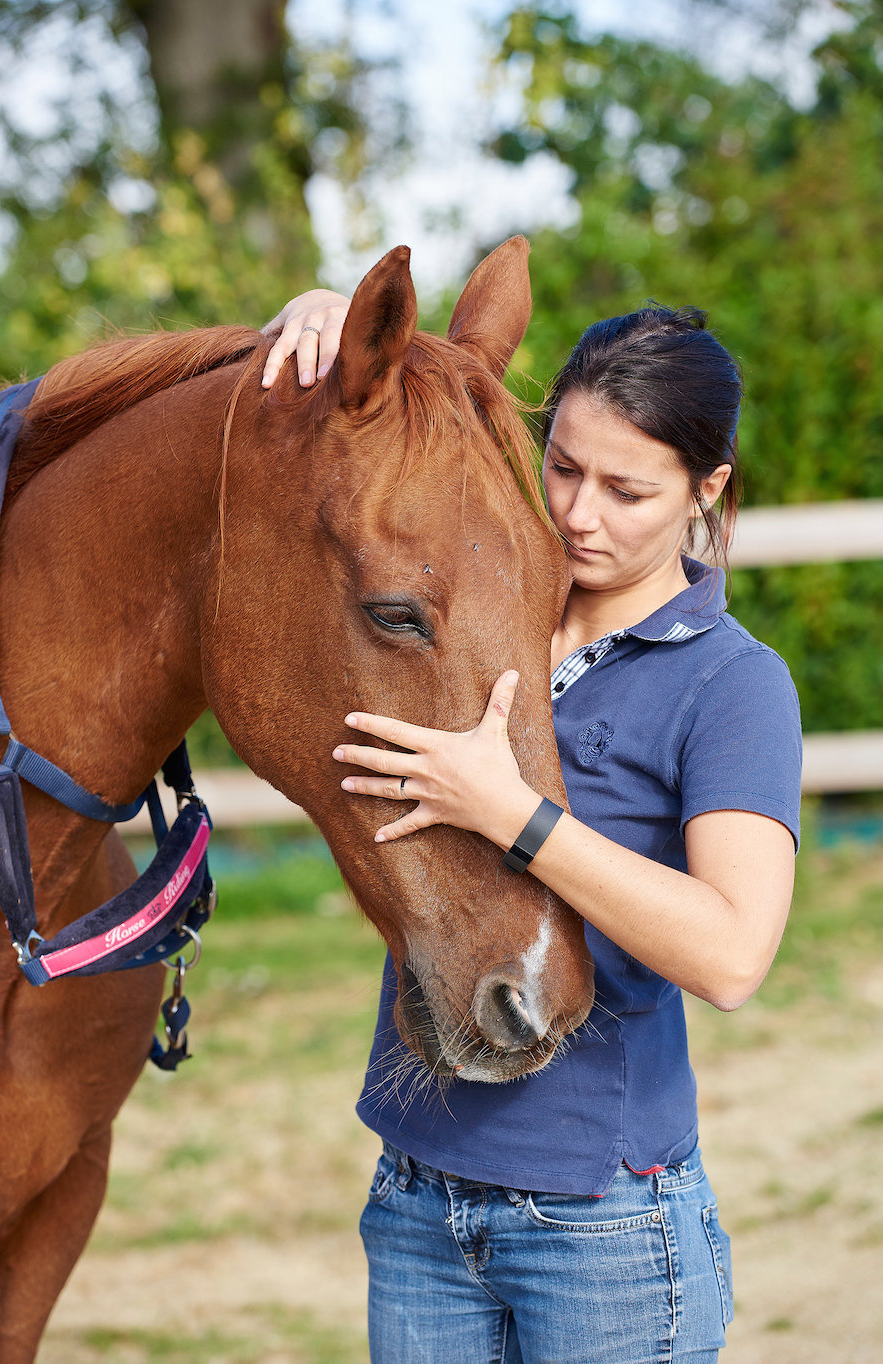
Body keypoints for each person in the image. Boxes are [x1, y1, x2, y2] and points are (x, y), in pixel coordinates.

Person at [261, 288, 802, 1364]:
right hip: (415, 1197)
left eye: (627, 488)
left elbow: (735, 953)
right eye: (561, 466)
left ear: (707, 489)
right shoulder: (474, 605)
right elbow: (371, 458)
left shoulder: (733, 685)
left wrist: (515, 814)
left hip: (602, 1220)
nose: (580, 514)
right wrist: (328, 324)